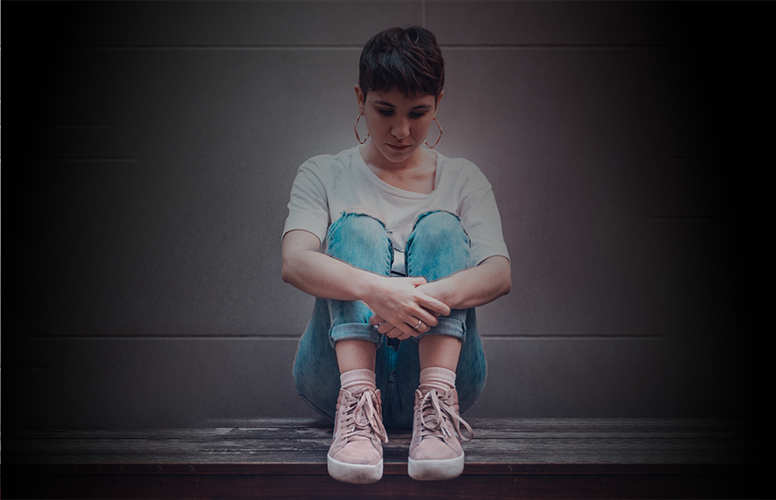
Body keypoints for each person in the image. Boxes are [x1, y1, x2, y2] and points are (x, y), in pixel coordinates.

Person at [281, 26, 511, 484]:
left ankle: (437, 405)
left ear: (437, 104)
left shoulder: (463, 178)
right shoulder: (323, 173)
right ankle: (357, 405)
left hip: (443, 374)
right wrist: (378, 291)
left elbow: (498, 273)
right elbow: (295, 260)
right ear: (360, 98)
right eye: (384, 110)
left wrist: (419, 302)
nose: (401, 131)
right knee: (357, 228)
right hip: (334, 376)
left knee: (442, 226)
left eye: (418, 113)